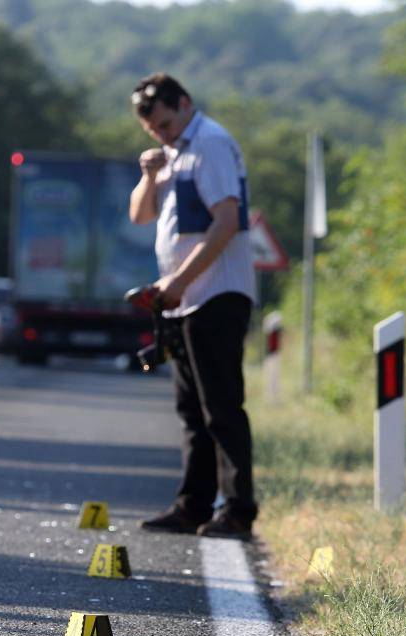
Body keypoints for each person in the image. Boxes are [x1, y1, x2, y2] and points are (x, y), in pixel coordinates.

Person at [128, 72, 260, 540]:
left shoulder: (210, 144)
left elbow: (226, 222)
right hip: (184, 300)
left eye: (165, 124)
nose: (161, 135)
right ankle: (193, 504)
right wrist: (150, 175)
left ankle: (238, 510)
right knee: (191, 410)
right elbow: (140, 215)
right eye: (154, 131)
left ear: (184, 103)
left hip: (215, 294)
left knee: (221, 407)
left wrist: (180, 281)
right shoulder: (177, 152)